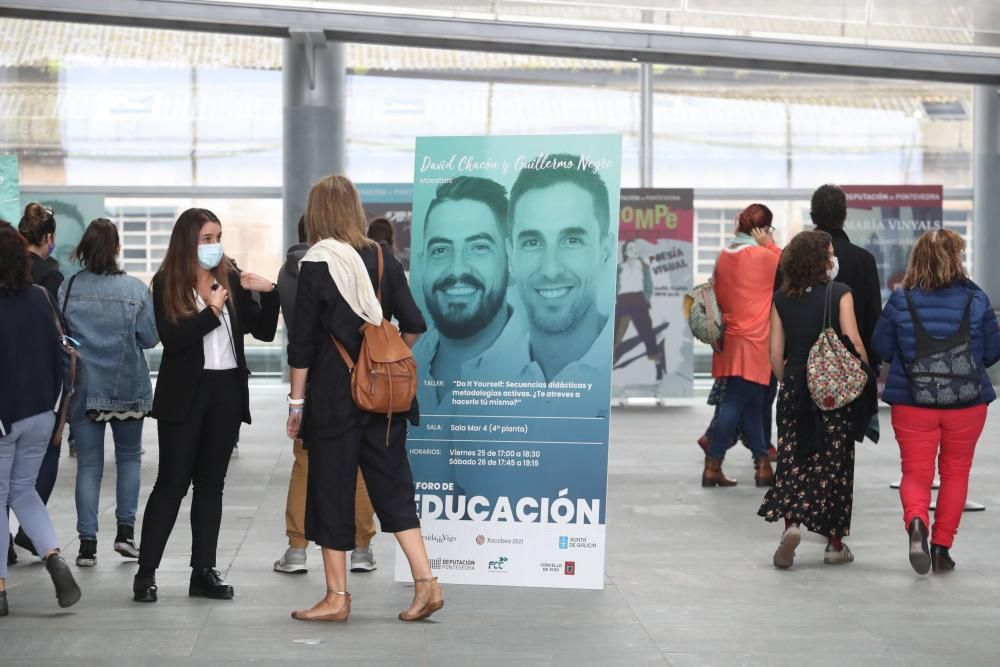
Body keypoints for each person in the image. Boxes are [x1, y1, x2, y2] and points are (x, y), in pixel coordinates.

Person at [286, 174, 441, 623]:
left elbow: (303, 344)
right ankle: (427, 583)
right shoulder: (381, 257)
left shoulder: (316, 264)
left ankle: (337, 597)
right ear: (354, 210)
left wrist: (297, 404)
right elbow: (412, 323)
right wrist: (385, 361)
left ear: (316, 214)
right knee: (392, 486)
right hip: (384, 400)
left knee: (332, 491)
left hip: (335, 399)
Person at [132, 208, 279, 603]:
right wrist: (212, 310)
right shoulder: (167, 282)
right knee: (171, 484)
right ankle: (146, 573)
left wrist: (271, 292)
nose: (215, 246)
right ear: (188, 242)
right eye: (207, 239)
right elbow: (174, 342)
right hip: (186, 395)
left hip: (226, 391)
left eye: (218, 237)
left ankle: (203, 571)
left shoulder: (229, 275)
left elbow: (262, 332)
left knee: (212, 486)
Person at [872, 229, 1000, 575]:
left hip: (913, 401)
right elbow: (991, 353)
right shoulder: (977, 300)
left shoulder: (902, 300)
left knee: (915, 472)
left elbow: (881, 348)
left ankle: (916, 522)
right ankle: (942, 548)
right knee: (956, 472)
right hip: (967, 402)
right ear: (957, 258)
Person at [273, 216, 379, 576]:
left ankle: (296, 549)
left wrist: (296, 401)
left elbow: (299, 342)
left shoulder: (287, 274)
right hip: (353, 378)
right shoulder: (349, 265)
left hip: (312, 382)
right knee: (359, 468)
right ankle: (363, 548)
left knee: (304, 467)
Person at [758, 230, 869, 568]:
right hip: (832, 392)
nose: (835, 258)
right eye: (831, 252)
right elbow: (854, 343)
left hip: (794, 389)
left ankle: (791, 526)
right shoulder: (840, 293)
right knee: (834, 463)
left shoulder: (780, 298)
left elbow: (775, 353)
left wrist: (790, 381)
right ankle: (834, 544)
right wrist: (860, 376)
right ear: (822, 260)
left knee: (793, 457)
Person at [58, 219, 159, 568]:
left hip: (83, 388)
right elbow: (150, 338)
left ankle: (87, 545)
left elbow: (62, 338)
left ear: (84, 248)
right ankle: (125, 534)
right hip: (127, 387)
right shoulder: (135, 290)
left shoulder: (68, 288)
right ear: (117, 248)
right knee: (129, 459)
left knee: (89, 465)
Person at [0, 220, 82, 615]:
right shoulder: (38, 297)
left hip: (3, 418)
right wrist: (55, 412)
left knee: (0, 498)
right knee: (23, 490)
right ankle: (53, 555)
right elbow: (60, 352)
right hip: (41, 415)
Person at [500, 154, 613, 404]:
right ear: (510, 256)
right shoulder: (482, 376)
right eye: (532, 242)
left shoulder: (626, 375)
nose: (551, 269)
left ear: (605, 251)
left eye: (572, 240)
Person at [412, 176, 515, 412]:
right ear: (422, 264)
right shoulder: (407, 365)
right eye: (440, 250)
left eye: (479, 247)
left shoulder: (543, 374)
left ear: (510, 260)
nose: (457, 269)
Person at [703, 204, 779, 488]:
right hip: (756, 341)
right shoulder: (763, 256)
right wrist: (769, 245)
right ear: (762, 229)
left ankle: (762, 466)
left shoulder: (724, 256)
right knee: (734, 403)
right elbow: (792, 268)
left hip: (730, 339)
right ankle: (713, 463)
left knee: (752, 403)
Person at [8, 203, 65, 561]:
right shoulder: (48, 284)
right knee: (27, 485)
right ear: (47, 238)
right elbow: (61, 341)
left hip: (5, 402)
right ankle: (47, 549)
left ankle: (2, 570)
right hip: (40, 399)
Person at [614, 239, 664, 379]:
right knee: (615, 333)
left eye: (636, 248)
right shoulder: (618, 268)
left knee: (647, 333)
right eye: (631, 248)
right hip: (622, 301)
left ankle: (657, 363)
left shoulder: (643, 267)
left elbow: (649, 286)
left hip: (638, 300)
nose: (635, 251)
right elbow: (614, 286)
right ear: (625, 252)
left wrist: (645, 299)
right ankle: (609, 362)